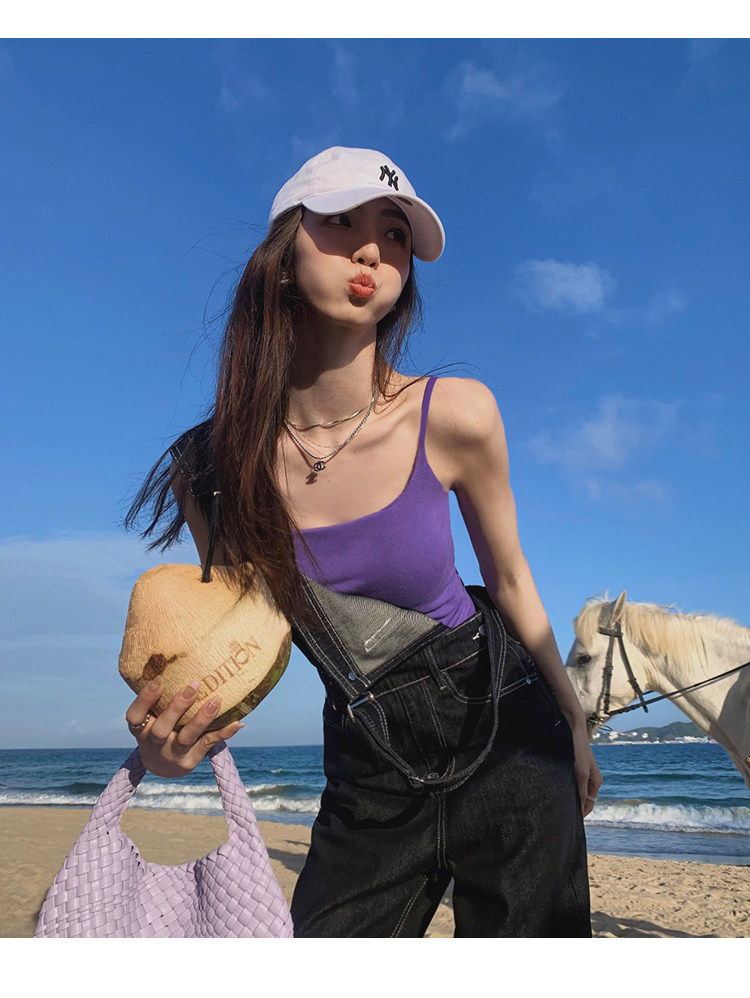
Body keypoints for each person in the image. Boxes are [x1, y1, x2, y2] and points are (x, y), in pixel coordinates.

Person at [124, 145, 603, 937]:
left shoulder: (455, 414)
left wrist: (574, 721)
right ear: (283, 256)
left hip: (508, 733)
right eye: (341, 222)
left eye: (395, 235)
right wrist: (173, 744)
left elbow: (511, 579)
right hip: (368, 766)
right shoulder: (210, 470)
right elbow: (242, 644)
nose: (372, 250)